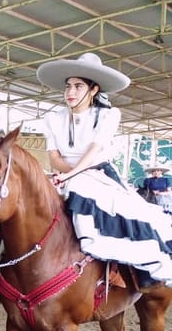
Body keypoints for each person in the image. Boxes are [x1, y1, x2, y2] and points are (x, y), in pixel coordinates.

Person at [36, 52, 172, 287]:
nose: (70, 92)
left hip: (97, 172)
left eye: (78, 86)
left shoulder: (109, 115)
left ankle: (123, 269)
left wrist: (72, 175)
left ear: (94, 89)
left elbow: (93, 152)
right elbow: (54, 157)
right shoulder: (53, 118)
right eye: (68, 86)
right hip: (63, 172)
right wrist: (66, 173)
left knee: (136, 212)